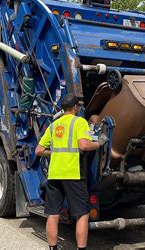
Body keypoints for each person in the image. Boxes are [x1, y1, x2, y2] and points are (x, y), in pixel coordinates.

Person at [35, 94, 108, 250]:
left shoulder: (54, 125)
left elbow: (39, 150)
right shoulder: (79, 122)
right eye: (79, 106)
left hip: (54, 175)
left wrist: (54, 153)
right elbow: (84, 145)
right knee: (82, 214)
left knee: (53, 214)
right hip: (73, 174)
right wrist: (99, 142)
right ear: (75, 107)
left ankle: (52, 248)